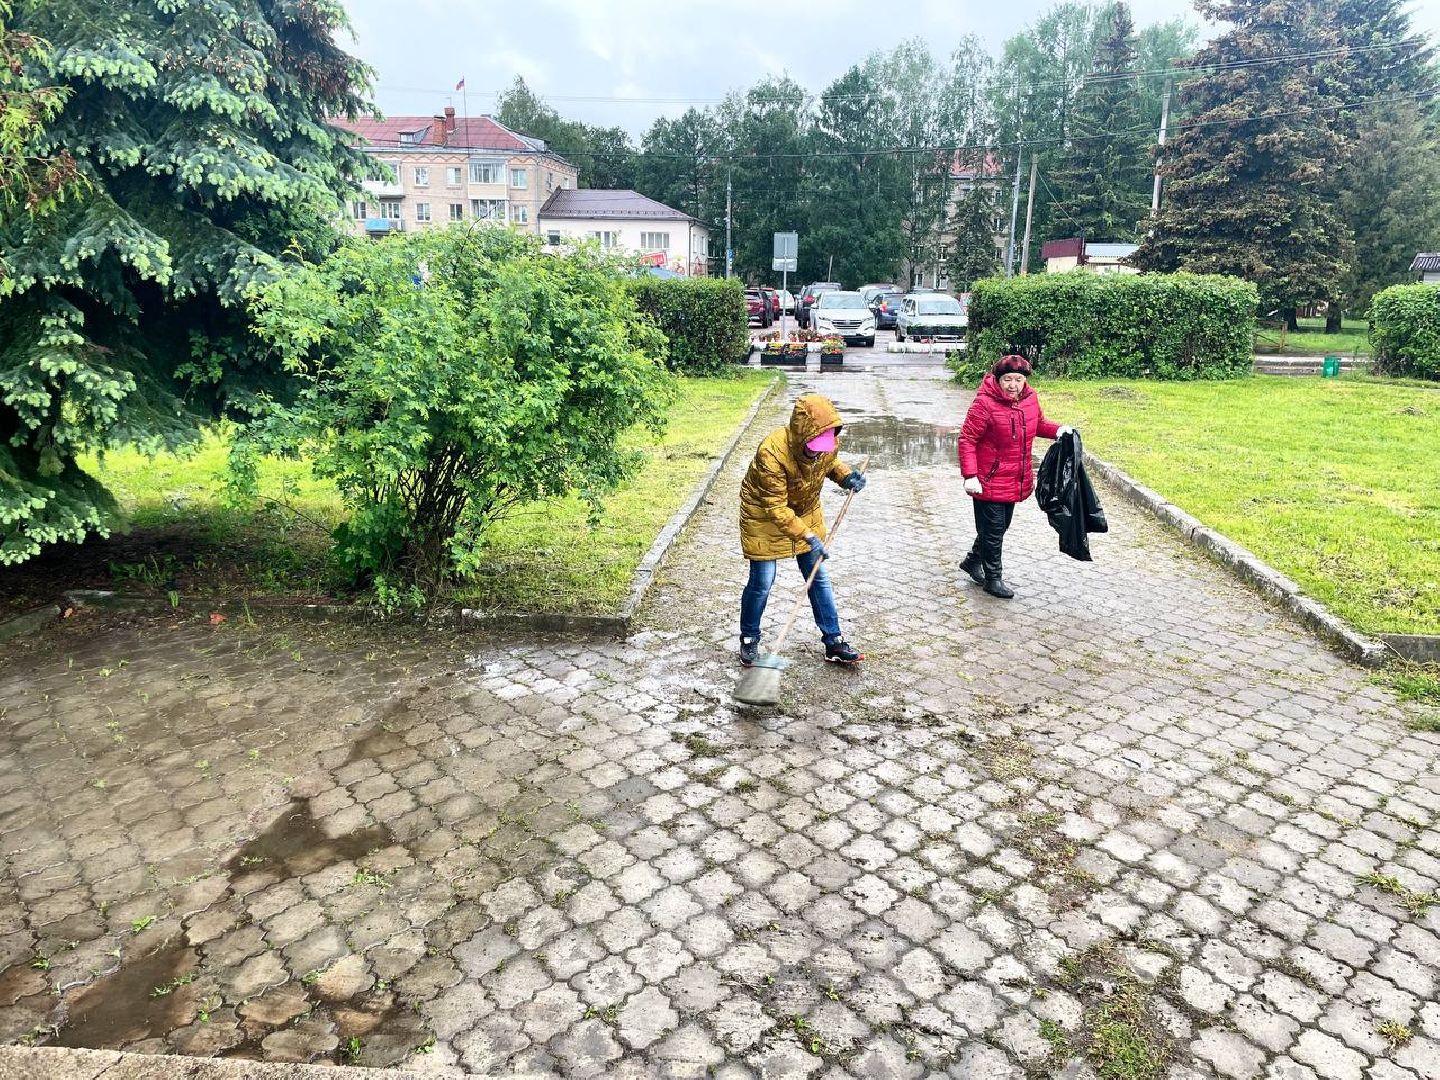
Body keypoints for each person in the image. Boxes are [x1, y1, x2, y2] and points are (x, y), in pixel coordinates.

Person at [738, 394, 866, 666]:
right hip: (764, 514)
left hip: (805, 510)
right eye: (813, 447)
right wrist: (807, 535)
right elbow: (775, 508)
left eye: (823, 446)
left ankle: (834, 641)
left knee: (817, 576)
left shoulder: (826, 444)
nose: (819, 451)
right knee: (762, 581)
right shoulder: (771, 453)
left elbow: (828, 464)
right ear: (800, 436)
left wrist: (846, 477)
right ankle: (749, 638)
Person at [957, 355, 1073, 599]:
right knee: (994, 529)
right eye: (1007, 379)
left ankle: (972, 561)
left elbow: (1037, 424)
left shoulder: (1030, 400)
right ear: (997, 380)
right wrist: (970, 475)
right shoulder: (984, 404)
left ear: (1025, 380)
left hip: (1014, 478)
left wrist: (1058, 430)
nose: (1013, 385)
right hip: (987, 478)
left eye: (1018, 379)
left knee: (998, 527)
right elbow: (967, 439)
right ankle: (993, 578)